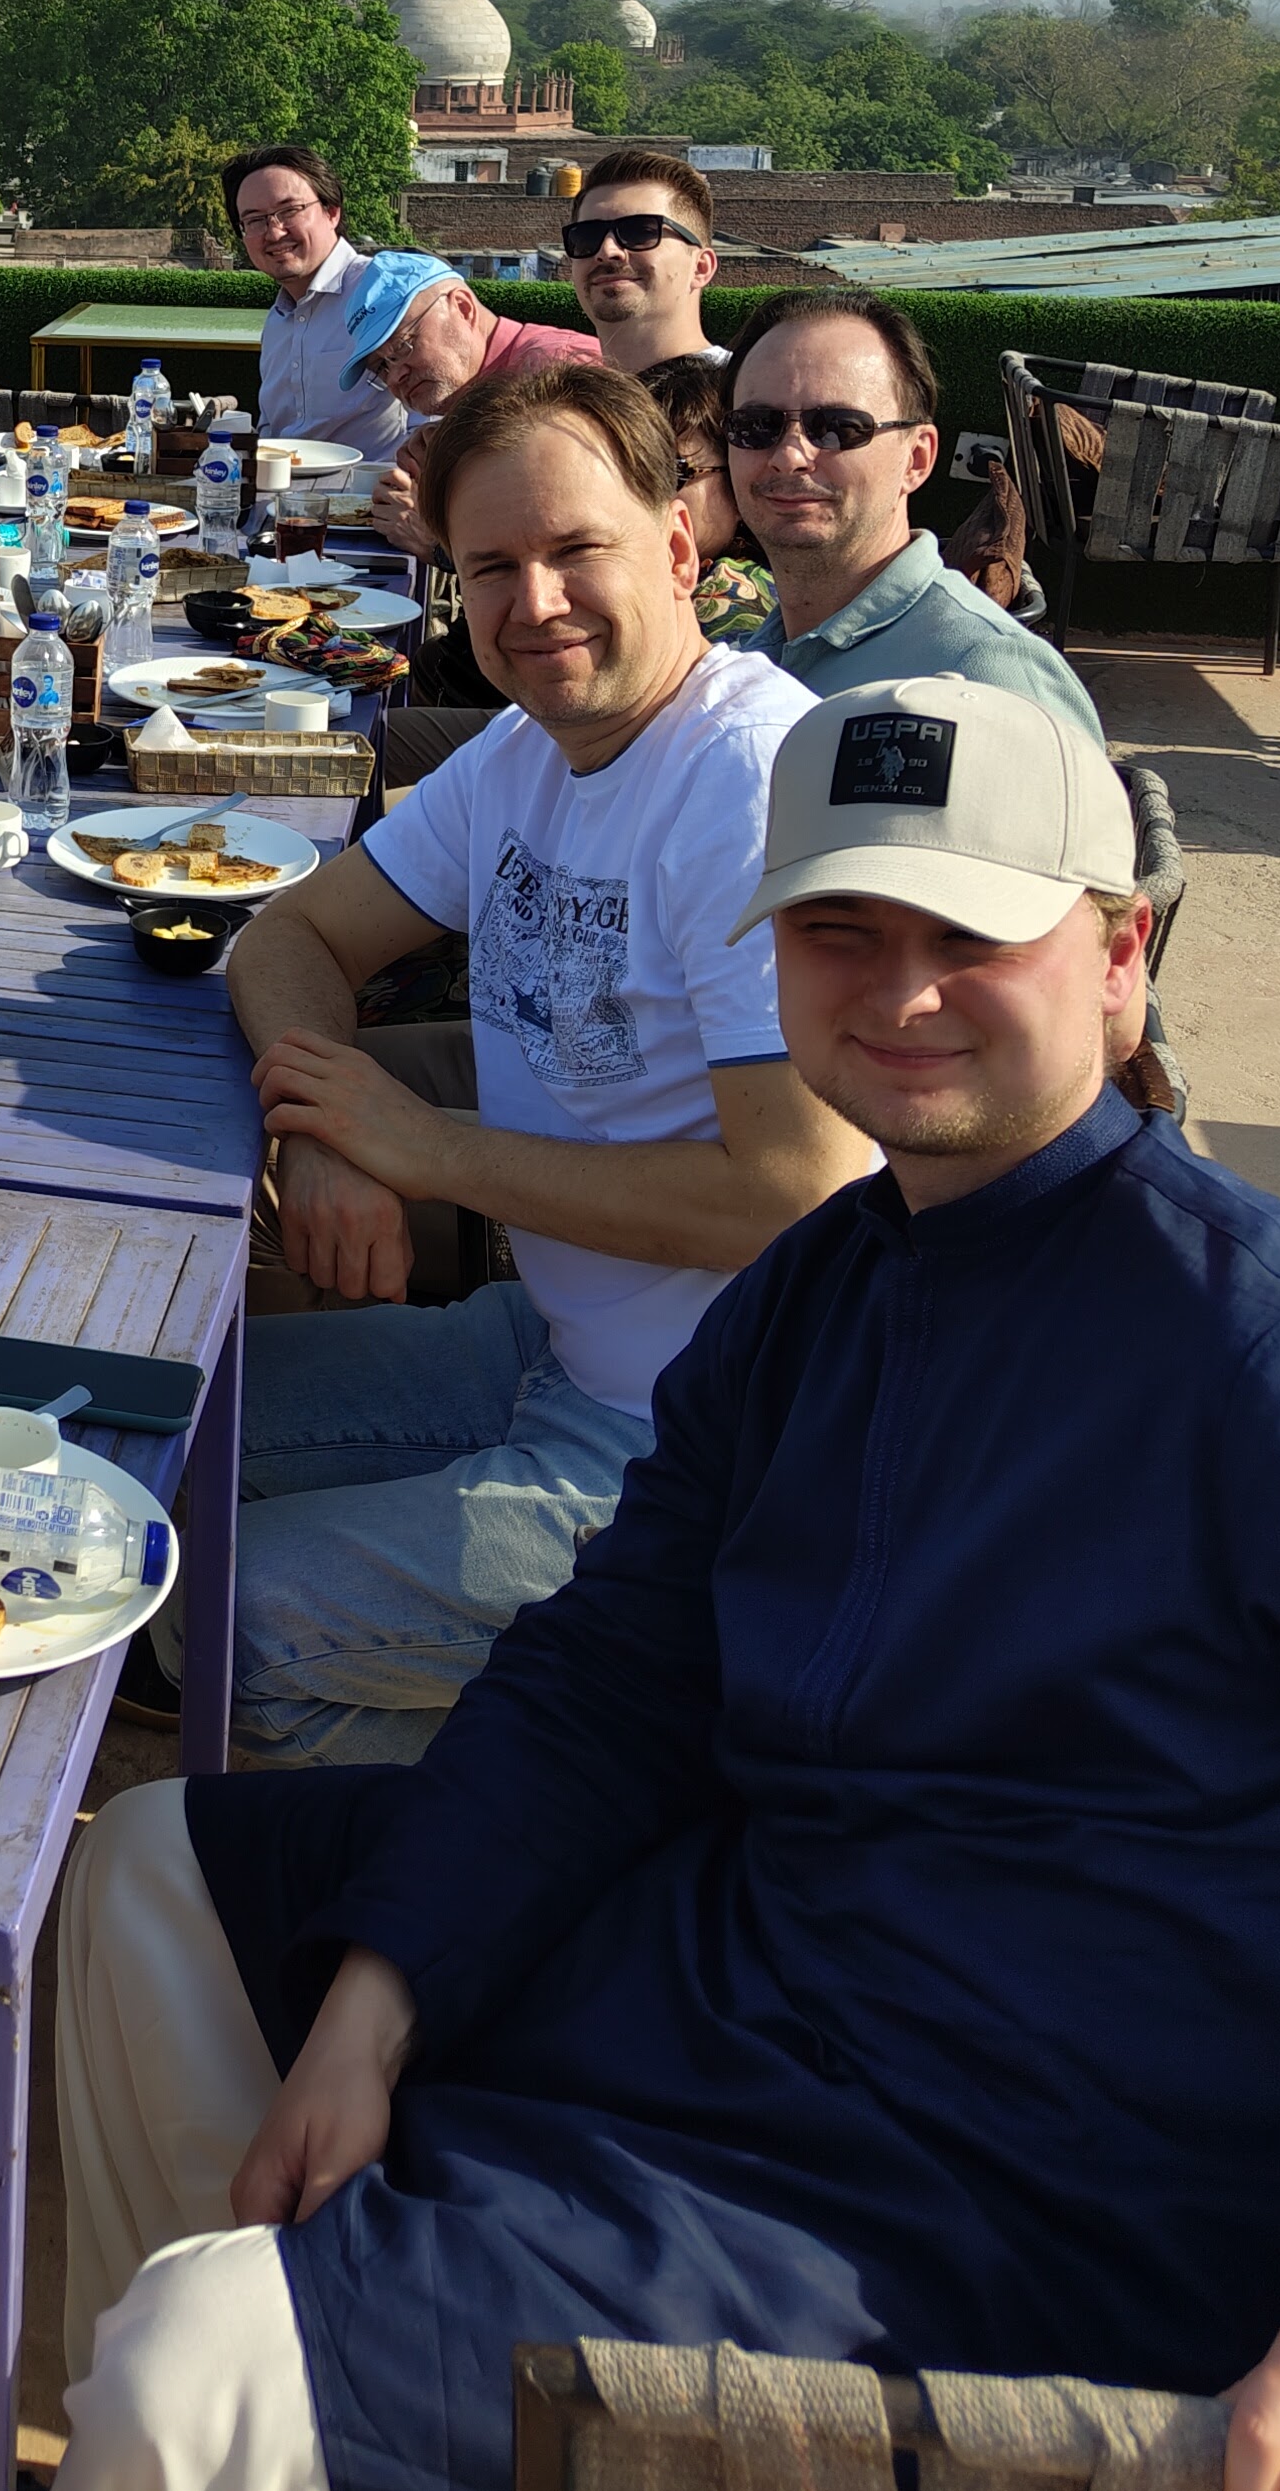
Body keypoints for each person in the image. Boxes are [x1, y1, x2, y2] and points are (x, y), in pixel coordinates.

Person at [0, 669, 1280, 2491]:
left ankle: (214, 2461)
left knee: (204, 2384)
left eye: (969, 933)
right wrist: (385, 1979)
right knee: (149, 1877)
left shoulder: (1266, 1343)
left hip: (995, 2183)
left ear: (1118, 953)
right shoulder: (821, 1287)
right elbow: (613, 1661)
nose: (897, 990)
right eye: (838, 929)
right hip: (743, 1970)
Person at [211, 362, 869, 1764]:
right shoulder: (529, 750)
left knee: (226, 1616)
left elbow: (794, 1196)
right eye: (491, 568)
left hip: (714, 1458)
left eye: (578, 551)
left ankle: (578, 1846)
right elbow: (288, 937)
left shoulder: (742, 784)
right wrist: (332, 1127)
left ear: (680, 550)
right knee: (169, 1434)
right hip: (557, 1350)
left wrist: (425, 1149)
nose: (536, 604)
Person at [728, 289, 1105, 739]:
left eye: (838, 428)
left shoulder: (990, 676)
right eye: (756, 426)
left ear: (917, 460)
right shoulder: (745, 659)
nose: (789, 456)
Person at [330, 251, 599, 560]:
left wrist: (438, 541)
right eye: (380, 367)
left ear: (463, 307)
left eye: (401, 347)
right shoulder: (480, 395)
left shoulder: (554, 373)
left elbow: (582, 551)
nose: (394, 378)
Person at [222, 147, 406, 459]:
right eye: (254, 220)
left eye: (289, 211)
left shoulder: (386, 292)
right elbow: (274, 433)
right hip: (278, 501)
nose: (274, 232)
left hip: (368, 500)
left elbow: (435, 422)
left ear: (332, 211)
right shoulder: (277, 320)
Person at [637, 349, 774, 642]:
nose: (644, 491)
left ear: (739, 481)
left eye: (672, 472)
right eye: (629, 470)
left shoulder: (731, 593)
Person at [555, 143, 723, 372]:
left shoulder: (749, 396)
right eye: (587, 236)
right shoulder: (567, 403)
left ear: (700, 268)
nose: (607, 251)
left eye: (639, 232)